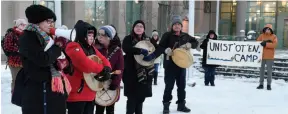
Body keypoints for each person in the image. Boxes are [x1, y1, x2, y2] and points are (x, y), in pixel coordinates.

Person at [142, 15, 198, 113]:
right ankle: (166, 105)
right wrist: (165, 50)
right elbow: (159, 48)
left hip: (181, 65)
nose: (177, 26)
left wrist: (190, 44)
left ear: (181, 26)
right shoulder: (167, 35)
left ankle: (181, 105)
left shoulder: (185, 36)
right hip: (170, 66)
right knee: (169, 86)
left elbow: (196, 42)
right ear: (172, 26)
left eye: (178, 24)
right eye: (175, 24)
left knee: (181, 87)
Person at [18, 5, 69, 114]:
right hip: (37, 91)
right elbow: (43, 59)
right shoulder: (28, 37)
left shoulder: (47, 37)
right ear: (38, 21)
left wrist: (66, 63)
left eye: (52, 21)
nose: (51, 24)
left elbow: (57, 59)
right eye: (48, 21)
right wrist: (57, 47)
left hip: (52, 90)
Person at [65, 20, 112, 114]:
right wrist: (101, 69)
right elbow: (85, 64)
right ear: (82, 35)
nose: (91, 38)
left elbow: (103, 58)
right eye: (89, 35)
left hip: (90, 93)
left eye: (92, 36)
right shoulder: (73, 46)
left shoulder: (91, 48)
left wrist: (107, 68)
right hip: (77, 95)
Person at [122, 20, 156, 114]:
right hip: (131, 72)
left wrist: (151, 56)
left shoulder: (148, 40)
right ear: (133, 28)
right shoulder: (128, 38)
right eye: (137, 26)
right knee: (132, 99)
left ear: (144, 29)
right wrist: (140, 51)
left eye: (141, 26)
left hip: (145, 73)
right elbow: (126, 48)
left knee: (141, 99)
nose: (139, 28)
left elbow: (155, 50)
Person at [94, 25, 124, 114]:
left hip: (111, 84)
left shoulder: (117, 50)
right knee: (98, 109)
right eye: (99, 34)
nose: (99, 36)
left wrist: (115, 83)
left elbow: (120, 68)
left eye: (103, 35)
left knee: (110, 109)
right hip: (97, 83)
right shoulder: (94, 48)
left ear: (110, 37)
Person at [2, 18, 27, 93]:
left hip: (24, 60)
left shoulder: (25, 34)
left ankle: (22, 96)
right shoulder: (11, 34)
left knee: (25, 79)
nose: (24, 26)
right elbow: (7, 47)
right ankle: (14, 95)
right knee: (16, 79)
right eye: (22, 24)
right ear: (18, 25)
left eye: (25, 24)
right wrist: (18, 49)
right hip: (14, 61)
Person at [256, 24, 278, 90]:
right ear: (264, 29)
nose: (267, 30)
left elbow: (274, 45)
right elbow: (257, 43)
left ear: (271, 30)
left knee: (269, 71)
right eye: (266, 28)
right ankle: (261, 84)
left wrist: (266, 44)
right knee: (261, 71)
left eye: (269, 29)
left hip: (270, 57)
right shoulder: (261, 36)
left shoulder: (274, 36)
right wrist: (262, 42)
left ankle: (269, 85)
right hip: (261, 56)